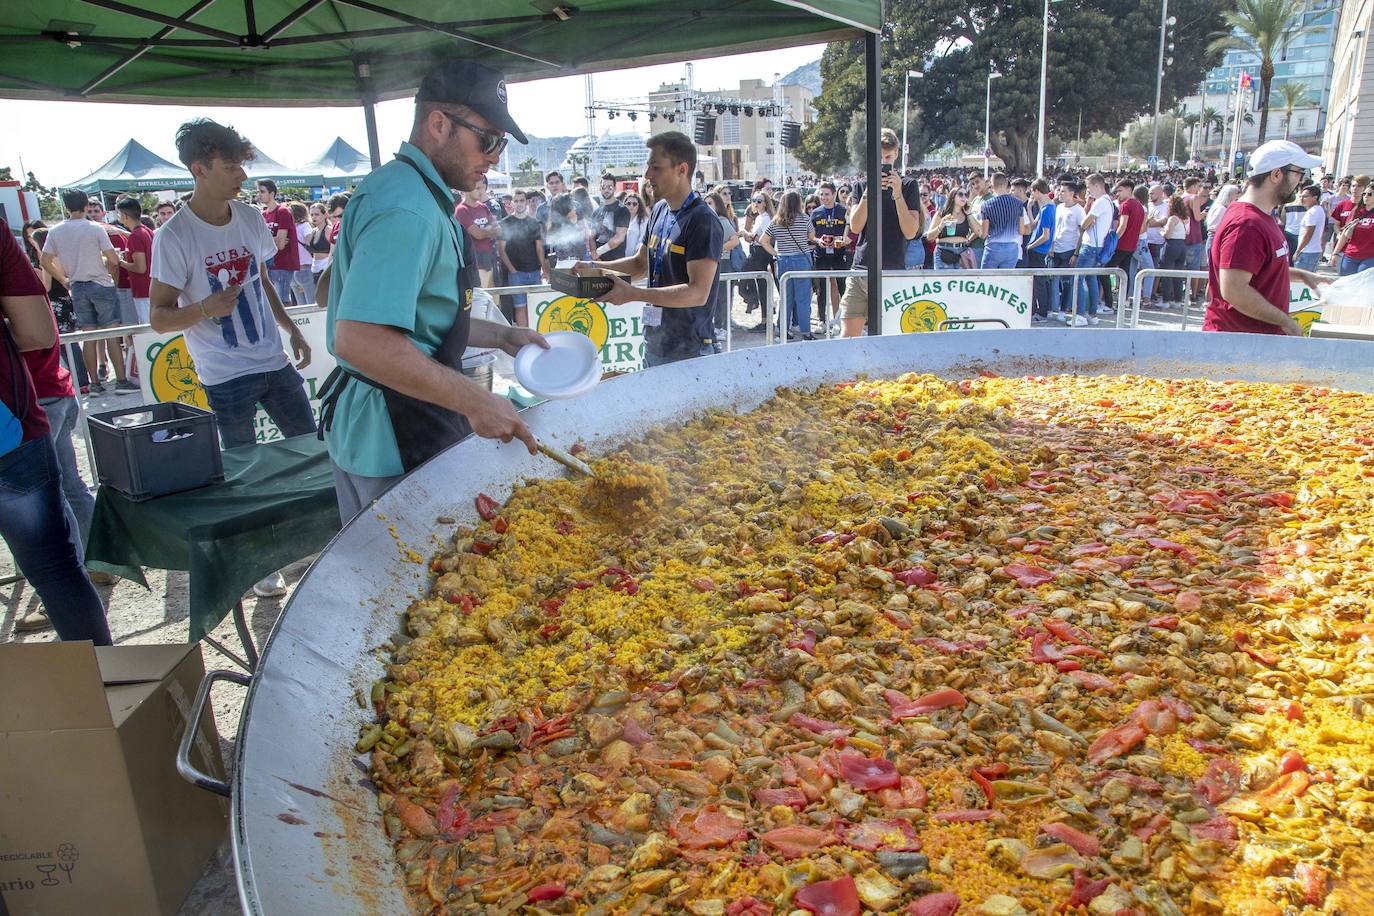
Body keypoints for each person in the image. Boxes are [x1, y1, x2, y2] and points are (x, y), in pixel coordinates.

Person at [317, 58, 546, 524]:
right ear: (439, 124)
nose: (495, 155)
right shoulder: (409, 209)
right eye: (488, 139)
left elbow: (419, 317)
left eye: (500, 142)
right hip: (394, 432)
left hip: (390, 418)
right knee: (402, 586)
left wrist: (502, 337)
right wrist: (477, 401)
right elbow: (360, 338)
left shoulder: (406, 188)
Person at [151, 121, 316, 597]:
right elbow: (159, 318)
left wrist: (291, 330)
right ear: (199, 169)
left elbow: (261, 280)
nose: (242, 174)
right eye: (231, 166)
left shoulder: (246, 216)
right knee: (243, 472)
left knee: (311, 451)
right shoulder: (174, 235)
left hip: (273, 361)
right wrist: (203, 308)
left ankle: (325, 542)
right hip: (225, 376)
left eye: (242, 164)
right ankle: (262, 564)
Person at [0, 228, 112, 644]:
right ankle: (104, 692)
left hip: (26, 419)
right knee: (57, 569)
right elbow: (36, 331)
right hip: (14, 431)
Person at [576, 130, 722, 366]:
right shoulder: (660, 210)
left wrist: (635, 294)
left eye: (656, 167)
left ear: (682, 170)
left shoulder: (702, 220)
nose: (647, 175)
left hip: (690, 350)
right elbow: (639, 264)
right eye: (648, 166)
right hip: (656, 342)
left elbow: (698, 292)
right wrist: (594, 268)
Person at [1204, 140, 1326, 335]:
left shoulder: (1259, 218)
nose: (1301, 182)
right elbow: (1234, 290)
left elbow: (1260, 270)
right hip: (1238, 344)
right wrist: (1285, 322)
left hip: (1250, 343)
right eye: (1299, 173)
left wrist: (1301, 275)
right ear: (1276, 174)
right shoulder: (1246, 223)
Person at [40, 189, 134, 394]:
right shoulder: (95, 228)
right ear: (85, 206)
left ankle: (94, 384)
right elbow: (113, 258)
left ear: (66, 207)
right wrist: (112, 273)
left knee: (89, 337)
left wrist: (64, 280)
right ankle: (121, 381)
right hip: (101, 283)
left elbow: (44, 261)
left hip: (77, 286)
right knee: (111, 334)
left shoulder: (55, 231)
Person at [839, 129, 923, 337]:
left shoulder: (909, 185)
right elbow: (855, 227)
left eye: (887, 157)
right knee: (847, 338)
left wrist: (898, 195)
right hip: (861, 268)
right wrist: (869, 193)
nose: (883, 162)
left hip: (892, 269)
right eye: (878, 158)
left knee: (892, 336)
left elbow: (911, 231)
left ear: (895, 155)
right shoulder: (861, 186)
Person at [761, 189, 816, 341]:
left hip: (783, 261)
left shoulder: (776, 221)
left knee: (785, 298)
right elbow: (812, 237)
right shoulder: (804, 219)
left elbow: (763, 241)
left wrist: (775, 253)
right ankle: (806, 331)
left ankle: (783, 329)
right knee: (803, 299)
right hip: (801, 260)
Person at [497, 188, 546, 327]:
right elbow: (501, 249)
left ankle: (536, 338)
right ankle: (524, 341)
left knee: (536, 307)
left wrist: (544, 269)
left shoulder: (534, 222)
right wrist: (512, 270)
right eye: (516, 201)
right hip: (517, 273)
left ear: (526, 202)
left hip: (535, 272)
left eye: (522, 200)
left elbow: (539, 248)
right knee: (520, 307)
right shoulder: (505, 222)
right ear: (512, 203)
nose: (519, 203)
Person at [1074, 173, 1114, 322]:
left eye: (1089, 187)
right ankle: (1092, 314)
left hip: (1090, 245)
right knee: (1091, 279)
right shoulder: (1108, 201)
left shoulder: (1100, 202)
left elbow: (1084, 224)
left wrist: (1088, 206)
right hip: (1098, 245)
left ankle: (1080, 314)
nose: (1088, 191)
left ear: (1097, 185)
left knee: (1078, 279)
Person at [810, 182, 849, 334]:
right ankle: (822, 320)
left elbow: (850, 230)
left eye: (827, 194)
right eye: (821, 194)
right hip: (821, 255)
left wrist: (843, 239)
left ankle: (841, 319)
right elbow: (811, 235)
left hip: (839, 255)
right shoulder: (816, 213)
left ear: (834, 194)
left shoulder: (842, 210)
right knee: (821, 289)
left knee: (842, 288)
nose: (824, 197)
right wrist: (818, 240)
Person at [256, 179, 302, 306]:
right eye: (258, 192)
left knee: (282, 302)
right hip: (269, 264)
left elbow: (281, 244)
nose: (259, 194)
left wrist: (272, 241)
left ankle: (285, 326)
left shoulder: (283, 211)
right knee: (271, 303)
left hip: (283, 263)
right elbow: (260, 242)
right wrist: (274, 240)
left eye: (262, 191)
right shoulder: (263, 214)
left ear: (272, 193)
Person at [1048, 178, 1085, 322]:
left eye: (1064, 191)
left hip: (1069, 250)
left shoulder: (1079, 210)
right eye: (1060, 190)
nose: (1060, 193)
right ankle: (1053, 308)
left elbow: (1082, 232)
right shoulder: (1058, 207)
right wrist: (1051, 245)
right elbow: (1055, 228)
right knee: (1052, 280)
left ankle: (1064, 310)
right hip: (1055, 248)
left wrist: (1076, 253)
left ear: (1071, 193)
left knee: (1066, 282)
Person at [453, 175, 500, 288]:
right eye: (477, 188)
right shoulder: (461, 210)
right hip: (476, 264)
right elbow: (478, 234)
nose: (481, 192)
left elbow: (498, 230)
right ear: (467, 189)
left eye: (482, 188)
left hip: (490, 261)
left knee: (494, 300)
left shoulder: (483, 207)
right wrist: (489, 230)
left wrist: (485, 231)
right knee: (480, 299)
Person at [114, 198, 155, 325]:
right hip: (150, 288)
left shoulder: (135, 236)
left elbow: (140, 267)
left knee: (147, 328)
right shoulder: (145, 231)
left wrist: (119, 262)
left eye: (119, 214)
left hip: (143, 291)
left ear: (125, 215)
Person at [707, 191, 740, 348]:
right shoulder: (710, 220)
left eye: (710, 203)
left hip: (724, 263)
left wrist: (720, 249)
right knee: (716, 297)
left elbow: (734, 240)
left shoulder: (721, 220)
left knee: (723, 297)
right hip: (714, 263)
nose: (707, 206)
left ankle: (723, 327)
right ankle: (719, 325)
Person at [1108, 178, 1145, 305]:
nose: (1118, 193)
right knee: (1125, 271)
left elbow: (1122, 226)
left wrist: (1113, 242)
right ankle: (1124, 299)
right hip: (1132, 245)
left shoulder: (1126, 205)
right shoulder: (1140, 206)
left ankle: (1107, 300)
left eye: (1120, 190)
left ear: (1129, 190)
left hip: (1122, 244)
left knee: (1106, 270)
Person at [979, 173, 1025, 270]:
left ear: (992, 186)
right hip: (1012, 248)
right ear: (1006, 184)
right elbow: (1021, 231)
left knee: (988, 281)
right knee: (1006, 281)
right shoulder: (1018, 204)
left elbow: (984, 234)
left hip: (993, 248)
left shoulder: (986, 205)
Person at [1024, 179, 1056, 320]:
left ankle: (1041, 312)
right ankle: (1039, 310)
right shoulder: (1047, 207)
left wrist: (1030, 246)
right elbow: (1033, 224)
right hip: (1039, 249)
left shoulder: (1047, 209)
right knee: (1038, 281)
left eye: (1032, 191)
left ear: (1037, 191)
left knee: (1039, 282)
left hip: (1038, 250)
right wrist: (1030, 208)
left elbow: (1045, 235)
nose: (1031, 195)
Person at [926, 189, 975, 272]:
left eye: (965, 194)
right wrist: (940, 226)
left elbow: (979, 232)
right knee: (944, 282)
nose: (964, 197)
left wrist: (969, 214)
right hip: (944, 252)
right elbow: (929, 237)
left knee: (962, 283)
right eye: (960, 194)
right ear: (952, 196)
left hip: (962, 253)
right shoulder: (942, 213)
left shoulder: (967, 214)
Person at [1332, 183, 1374, 275]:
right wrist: (1335, 253)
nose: (1366, 196)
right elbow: (1345, 233)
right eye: (1364, 194)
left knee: (1362, 284)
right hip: (1350, 254)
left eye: (1370, 194)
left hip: (1370, 257)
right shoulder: (1356, 211)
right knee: (1346, 284)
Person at [1158, 194, 1190, 310]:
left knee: (1166, 273)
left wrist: (1161, 231)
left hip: (1172, 245)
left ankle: (1166, 300)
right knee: (1178, 274)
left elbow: (1168, 234)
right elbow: (1186, 233)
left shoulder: (1173, 218)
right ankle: (1177, 300)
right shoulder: (1185, 219)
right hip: (1182, 245)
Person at [592, 174, 630, 261]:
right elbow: (592, 237)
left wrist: (598, 252)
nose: (606, 190)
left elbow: (619, 237)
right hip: (599, 261)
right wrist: (595, 256)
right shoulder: (596, 212)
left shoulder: (622, 210)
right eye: (603, 187)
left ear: (615, 188)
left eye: (610, 187)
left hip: (616, 262)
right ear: (600, 188)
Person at [288, 202, 316, 303]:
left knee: (301, 305)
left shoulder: (288, 229)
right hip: (305, 268)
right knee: (311, 304)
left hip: (292, 270)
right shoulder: (305, 226)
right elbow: (311, 243)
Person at [1294, 185, 1326, 272]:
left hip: (1307, 252)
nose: (1302, 199)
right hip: (1313, 251)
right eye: (1301, 196)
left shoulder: (1312, 212)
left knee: (1300, 281)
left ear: (1315, 197)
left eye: (1305, 196)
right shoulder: (1319, 209)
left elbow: (1308, 234)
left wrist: (1298, 251)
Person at [306, 202, 333, 288]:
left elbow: (334, 250)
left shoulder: (329, 230)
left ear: (325, 215)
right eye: (312, 214)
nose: (313, 217)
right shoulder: (313, 231)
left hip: (325, 266)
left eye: (317, 214)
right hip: (314, 266)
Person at [623, 190, 650, 260]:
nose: (631, 206)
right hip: (621, 257)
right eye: (628, 203)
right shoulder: (621, 219)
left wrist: (636, 256)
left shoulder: (643, 220)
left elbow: (642, 241)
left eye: (634, 204)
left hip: (635, 259)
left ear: (639, 205)